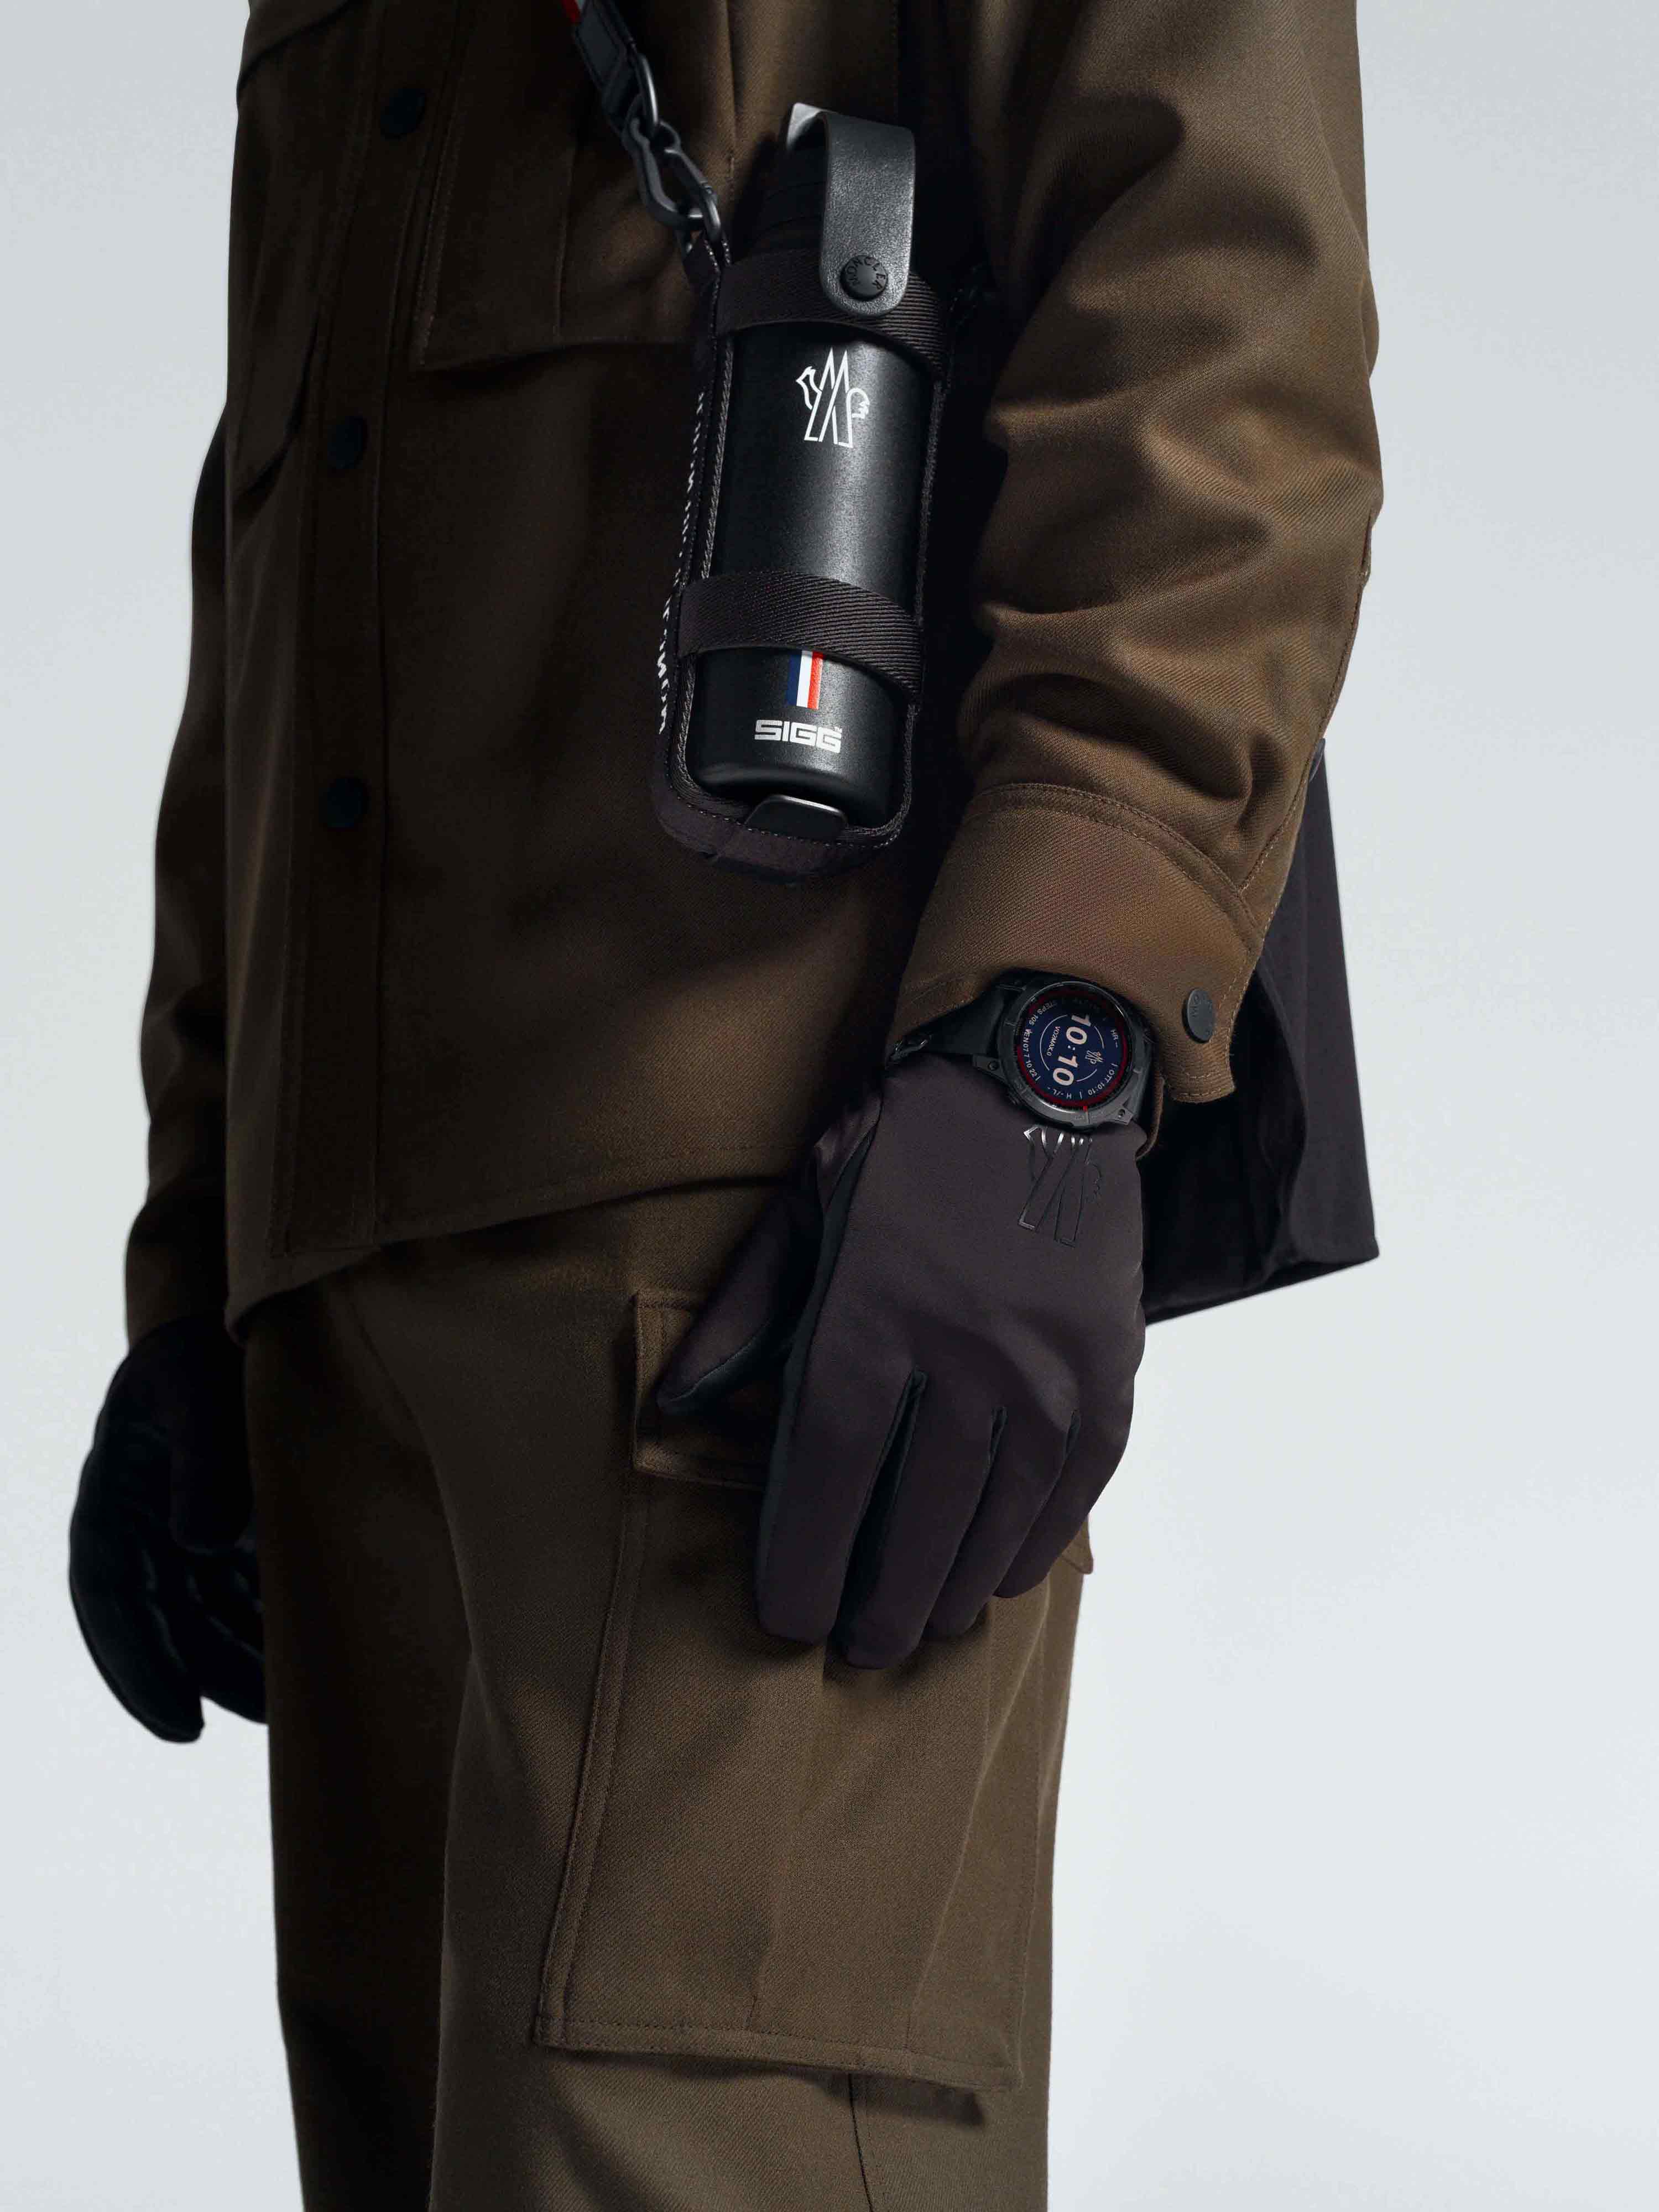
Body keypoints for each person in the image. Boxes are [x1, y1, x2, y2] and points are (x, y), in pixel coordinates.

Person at [67, 0, 1382, 2204]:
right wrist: (199, 1249)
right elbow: (280, 525)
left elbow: (1215, 314)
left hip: (768, 1271)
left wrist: (1051, 1050)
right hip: (351, 1297)